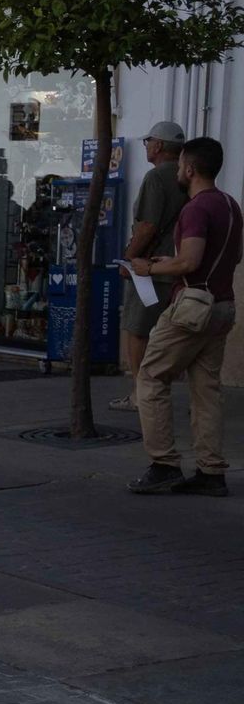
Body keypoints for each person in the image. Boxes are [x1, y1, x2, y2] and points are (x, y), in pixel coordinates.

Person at [128, 136, 242, 497]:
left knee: (150, 377)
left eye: (179, 165)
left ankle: (164, 465)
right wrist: (172, 262)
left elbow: (191, 261)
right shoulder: (230, 205)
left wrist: (149, 268)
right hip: (222, 304)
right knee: (206, 390)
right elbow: (230, 256)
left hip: (193, 304)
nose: (177, 170)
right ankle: (211, 472)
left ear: (190, 169)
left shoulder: (195, 208)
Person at [112, 122, 188, 411]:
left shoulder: (156, 177)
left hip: (150, 268)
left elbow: (147, 226)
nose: (146, 146)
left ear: (158, 146)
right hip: (178, 266)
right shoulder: (187, 176)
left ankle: (140, 395)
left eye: (148, 142)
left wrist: (129, 259)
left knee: (137, 331)